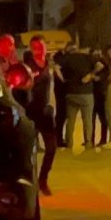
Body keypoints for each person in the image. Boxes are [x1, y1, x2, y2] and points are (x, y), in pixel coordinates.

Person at [26, 37, 62, 195]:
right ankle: (31, 182)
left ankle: (43, 179)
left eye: (41, 46)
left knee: (51, 148)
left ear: (46, 47)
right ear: (30, 48)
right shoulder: (27, 66)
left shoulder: (50, 65)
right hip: (31, 112)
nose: (38, 49)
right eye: (34, 47)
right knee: (29, 151)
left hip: (46, 113)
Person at [59, 42, 100, 151]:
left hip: (71, 93)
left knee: (70, 121)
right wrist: (90, 75)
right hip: (86, 93)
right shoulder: (88, 58)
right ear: (86, 48)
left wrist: (62, 79)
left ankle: (69, 143)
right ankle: (88, 142)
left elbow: (56, 67)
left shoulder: (69, 57)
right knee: (87, 120)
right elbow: (100, 65)